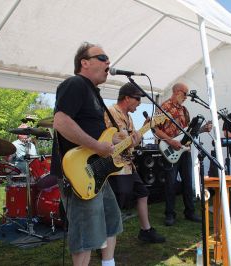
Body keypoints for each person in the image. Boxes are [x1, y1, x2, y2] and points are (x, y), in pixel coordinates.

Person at [51, 42, 122, 266]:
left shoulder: (94, 94)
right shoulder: (75, 84)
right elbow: (61, 122)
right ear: (85, 62)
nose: (108, 62)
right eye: (102, 57)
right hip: (78, 173)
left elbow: (100, 135)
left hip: (98, 170)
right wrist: (97, 146)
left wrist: (121, 141)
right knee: (85, 236)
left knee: (112, 222)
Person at [104, 82, 166, 244]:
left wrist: (144, 129)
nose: (139, 103)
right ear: (127, 98)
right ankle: (105, 239)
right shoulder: (110, 112)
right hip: (114, 165)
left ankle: (146, 231)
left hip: (128, 164)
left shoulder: (129, 117)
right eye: (137, 99)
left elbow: (131, 142)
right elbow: (105, 138)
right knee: (118, 199)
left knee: (143, 193)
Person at [154, 82, 211, 226]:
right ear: (177, 92)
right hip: (170, 149)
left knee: (188, 181)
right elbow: (154, 129)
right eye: (185, 94)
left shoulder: (185, 110)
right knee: (170, 183)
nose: (186, 97)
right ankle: (169, 214)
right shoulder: (164, 107)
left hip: (185, 150)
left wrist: (203, 129)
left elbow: (188, 133)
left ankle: (190, 212)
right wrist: (170, 141)